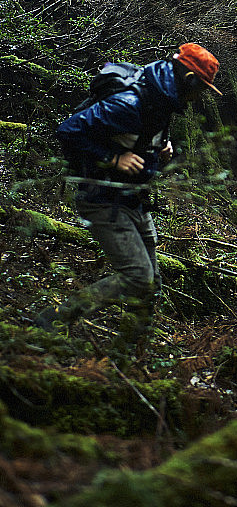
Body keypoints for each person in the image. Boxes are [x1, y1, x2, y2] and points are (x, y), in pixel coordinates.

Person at [34, 43, 222, 350]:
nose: (200, 95)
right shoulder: (131, 101)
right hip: (103, 197)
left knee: (152, 285)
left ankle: (128, 355)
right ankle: (52, 320)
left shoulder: (162, 97)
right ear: (188, 78)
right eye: (201, 87)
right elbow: (68, 131)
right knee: (137, 277)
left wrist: (159, 151)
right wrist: (112, 158)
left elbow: (137, 137)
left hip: (133, 197)